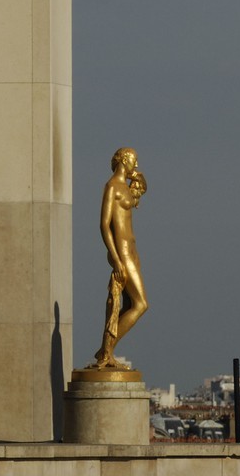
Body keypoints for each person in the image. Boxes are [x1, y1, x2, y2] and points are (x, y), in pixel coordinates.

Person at [91, 146, 148, 368]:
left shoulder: (125, 187)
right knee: (141, 304)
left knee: (127, 305)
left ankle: (106, 352)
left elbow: (140, 191)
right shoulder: (112, 187)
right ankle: (106, 351)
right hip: (122, 252)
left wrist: (139, 177)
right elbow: (104, 225)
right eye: (134, 160)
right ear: (124, 160)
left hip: (132, 251)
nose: (136, 164)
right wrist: (115, 258)